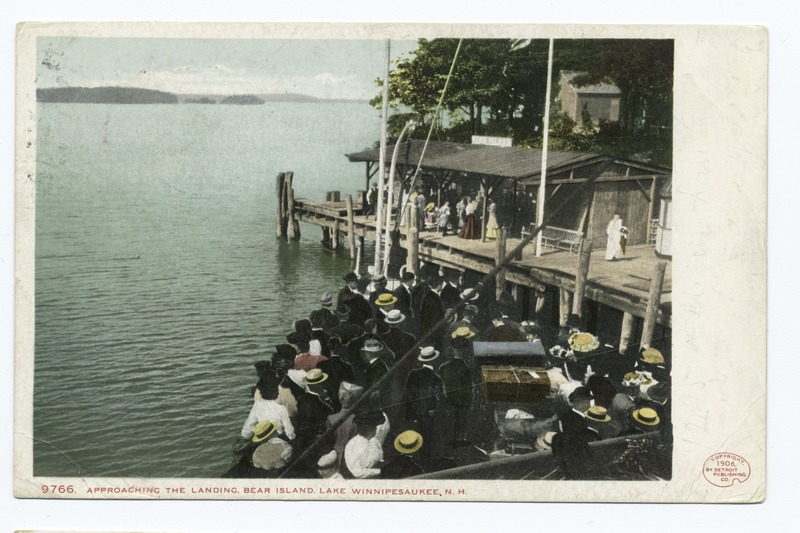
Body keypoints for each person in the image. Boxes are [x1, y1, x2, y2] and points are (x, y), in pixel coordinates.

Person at [343, 410, 387, 479]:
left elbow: (380, 459)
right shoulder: (353, 444)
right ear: (370, 430)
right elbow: (357, 472)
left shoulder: (375, 442)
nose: (376, 429)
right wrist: (379, 471)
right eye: (374, 427)